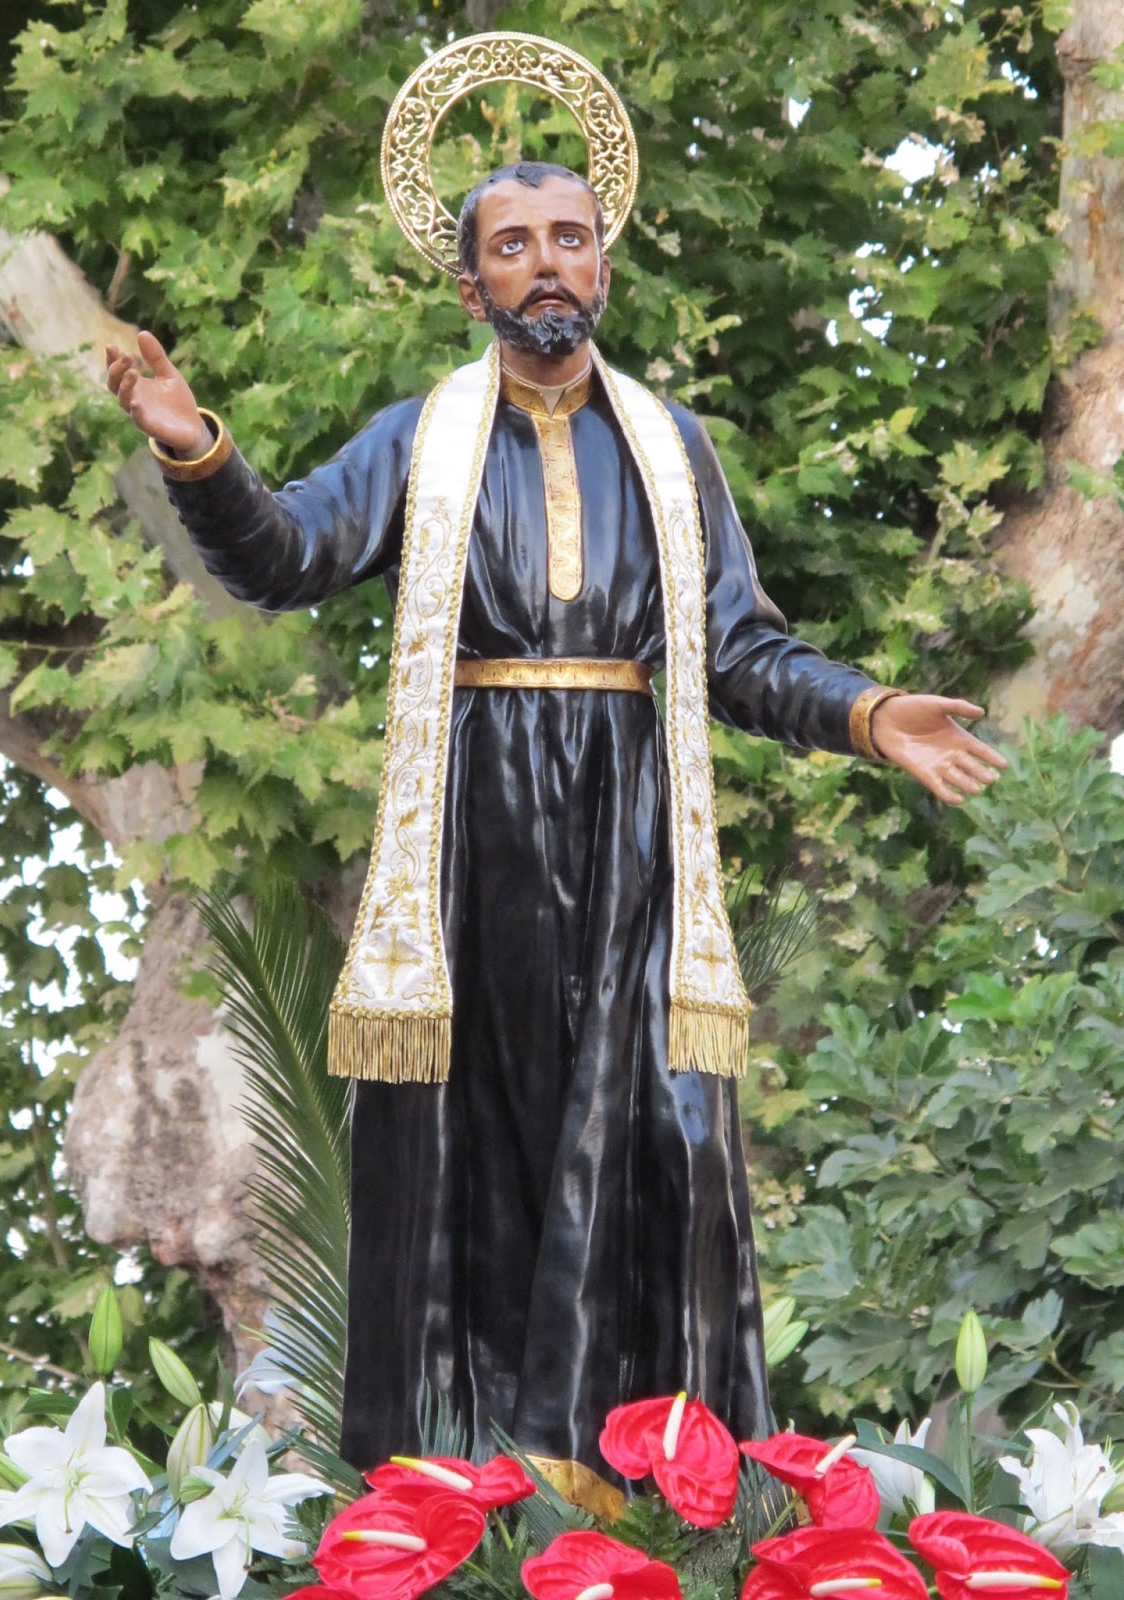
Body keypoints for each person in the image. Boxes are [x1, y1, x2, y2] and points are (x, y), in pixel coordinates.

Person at [106, 157, 1006, 1507]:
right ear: (471, 282)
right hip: (473, 836)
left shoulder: (668, 442)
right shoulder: (423, 436)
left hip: (636, 835)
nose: (546, 263)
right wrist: (196, 448)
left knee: (660, 1130)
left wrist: (869, 715)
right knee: (488, 1131)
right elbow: (286, 557)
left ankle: (669, 1487)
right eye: (514, 243)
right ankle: (483, 1498)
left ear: (602, 267)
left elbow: (741, 651)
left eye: (570, 239)